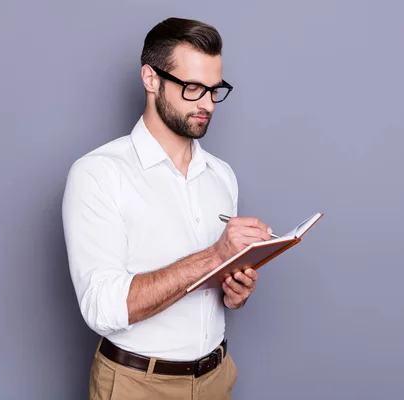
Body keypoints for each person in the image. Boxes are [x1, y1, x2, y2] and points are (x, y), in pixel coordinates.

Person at [61, 17, 273, 400]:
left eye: (215, 89)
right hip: (135, 384)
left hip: (216, 377)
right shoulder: (98, 173)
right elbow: (100, 307)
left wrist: (235, 292)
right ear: (151, 79)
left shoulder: (222, 175)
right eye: (193, 88)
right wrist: (213, 257)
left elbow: (217, 290)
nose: (207, 104)